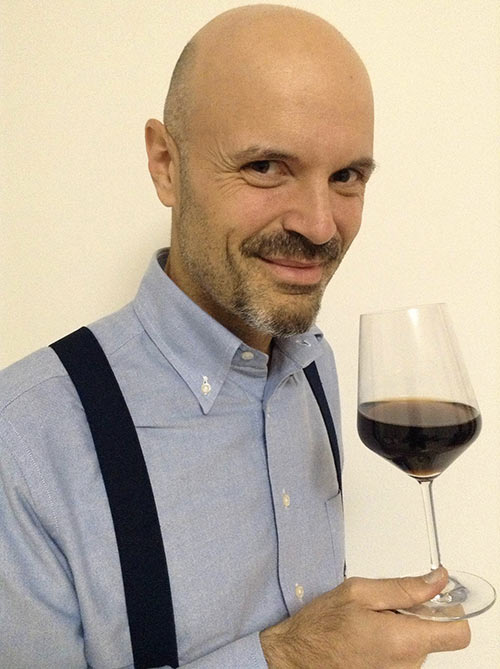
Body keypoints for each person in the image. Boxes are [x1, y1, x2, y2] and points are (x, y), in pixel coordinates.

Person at [0, 4, 470, 668]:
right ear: (166, 164)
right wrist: (292, 657)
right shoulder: (21, 442)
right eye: (267, 166)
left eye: (346, 177)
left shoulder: (314, 366)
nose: (319, 225)